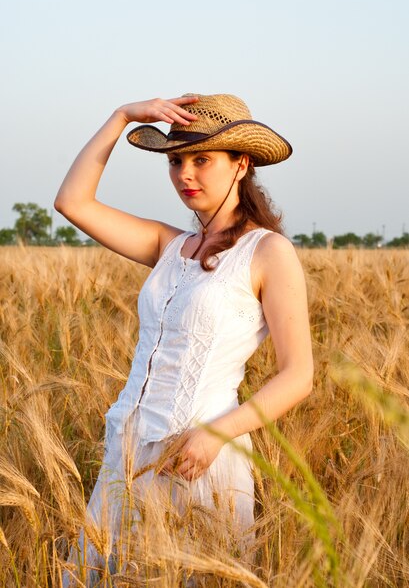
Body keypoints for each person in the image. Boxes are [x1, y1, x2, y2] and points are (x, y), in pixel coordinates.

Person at [55, 93, 314, 585]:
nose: (184, 175)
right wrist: (123, 116)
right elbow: (72, 202)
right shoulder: (167, 245)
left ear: (242, 164)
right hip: (127, 453)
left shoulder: (268, 252)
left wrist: (217, 434)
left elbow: (299, 372)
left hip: (200, 461)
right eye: (175, 161)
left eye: (201, 159)